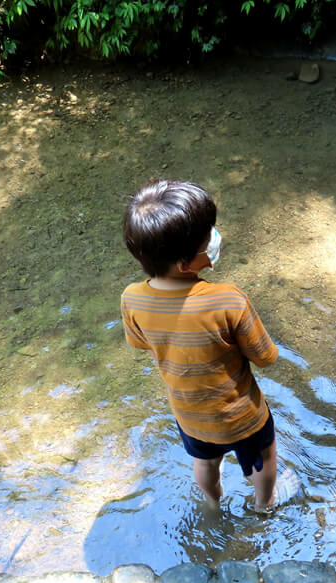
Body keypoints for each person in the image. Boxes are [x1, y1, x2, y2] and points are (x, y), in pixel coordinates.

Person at [120, 179, 280, 512]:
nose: (214, 237)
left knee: (205, 461)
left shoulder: (132, 299)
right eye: (208, 236)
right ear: (185, 264)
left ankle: (211, 502)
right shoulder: (227, 299)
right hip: (241, 417)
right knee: (262, 459)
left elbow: (140, 343)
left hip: (189, 415)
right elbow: (265, 357)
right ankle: (264, 504)